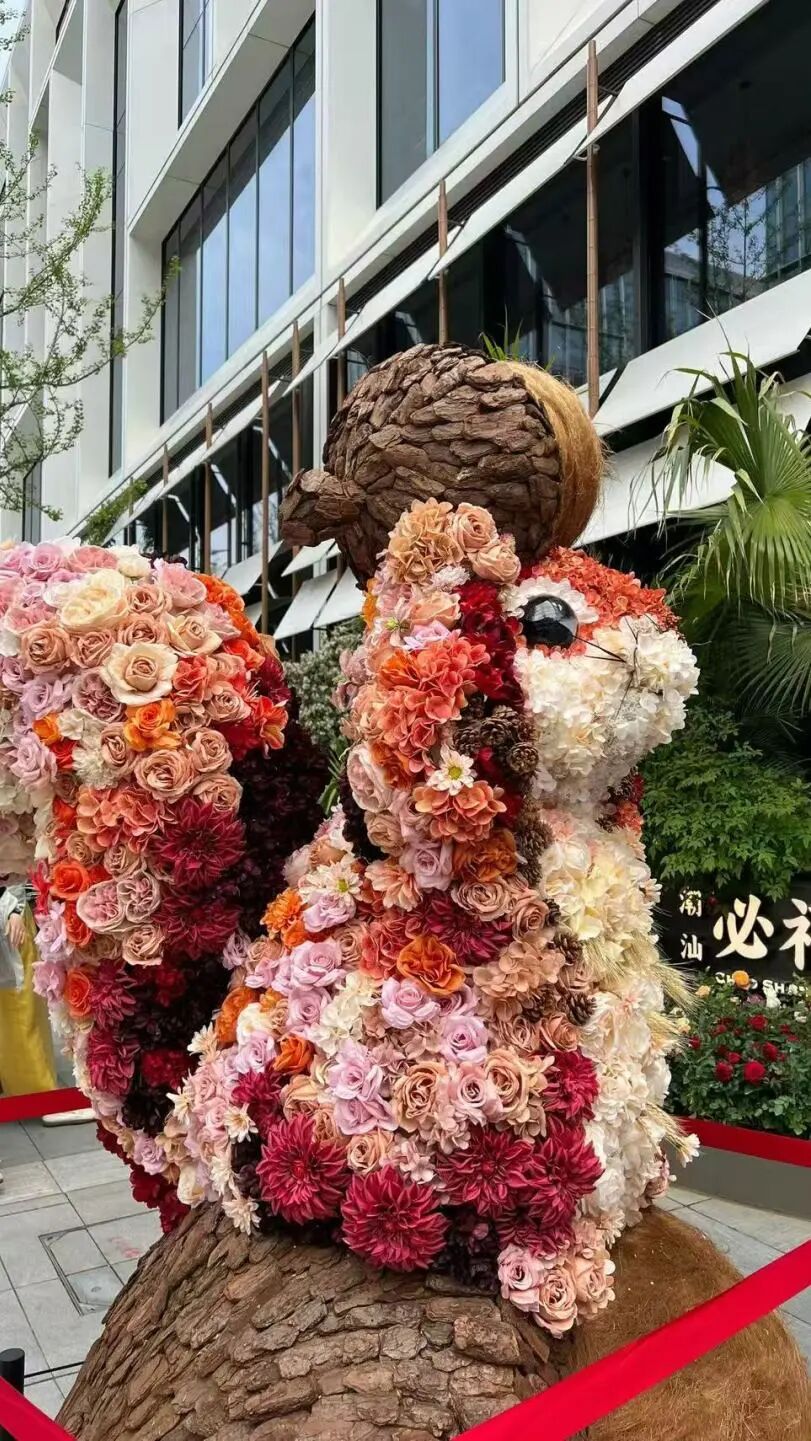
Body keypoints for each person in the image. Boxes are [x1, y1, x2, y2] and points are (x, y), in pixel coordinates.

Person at [0, 882, 57, 1187]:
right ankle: (37, 1093)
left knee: (21, 1006)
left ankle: (36, 1091)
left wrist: (15, 906)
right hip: (9, 909)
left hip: (11, 909)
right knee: (18, 1007)